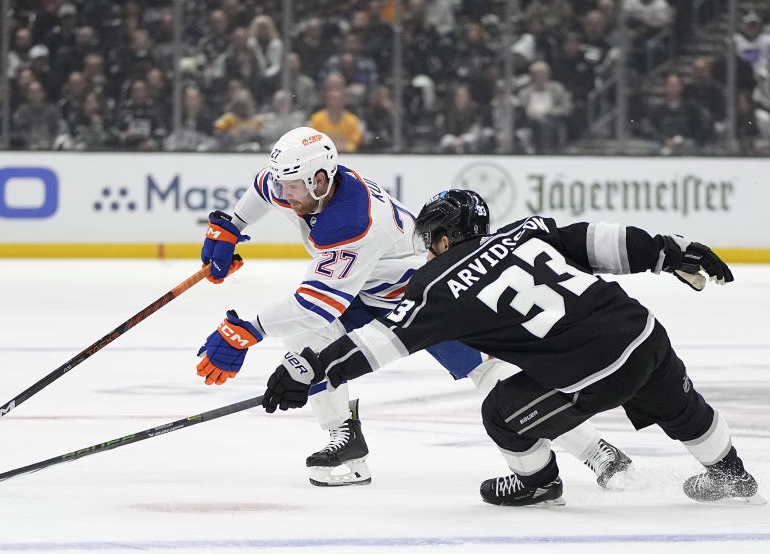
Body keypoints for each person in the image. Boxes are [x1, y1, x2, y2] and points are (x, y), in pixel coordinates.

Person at [263, 189, 764, 507]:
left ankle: (539, 482)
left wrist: (312, 369)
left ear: (440, 238)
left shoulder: (438, 285)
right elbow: (598, 241)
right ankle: (730, 474)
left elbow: (382, 342)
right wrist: (666, 250)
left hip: (588, 370)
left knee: (502, 412)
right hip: (641, 332)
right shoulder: (527, 231)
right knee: (681, 405)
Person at [196, 127, 632, 488]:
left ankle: (598, 452)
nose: (284, 194)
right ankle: (344, 442)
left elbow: (317, 305)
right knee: (304, 345)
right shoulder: (299, 183)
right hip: (364, 290)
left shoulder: (351, 220)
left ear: (321, 180)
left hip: (425, 295)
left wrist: (245, 330)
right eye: (284, 184)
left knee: (492, 376)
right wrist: (230, 226)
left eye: (294, 187)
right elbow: (261, 187)